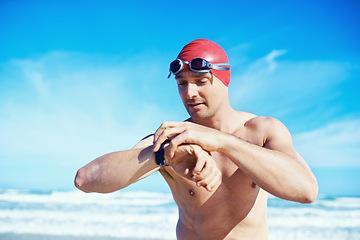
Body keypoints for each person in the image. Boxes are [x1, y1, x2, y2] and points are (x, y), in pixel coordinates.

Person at [74, 39, 318, 240]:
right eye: (182, 84)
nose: (189, 93)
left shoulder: (262, 131)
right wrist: (161, 155)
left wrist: (223, 142)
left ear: (224, 81)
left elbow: (306, 191)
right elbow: (85, 179)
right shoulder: (171, 138)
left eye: (201, 82)